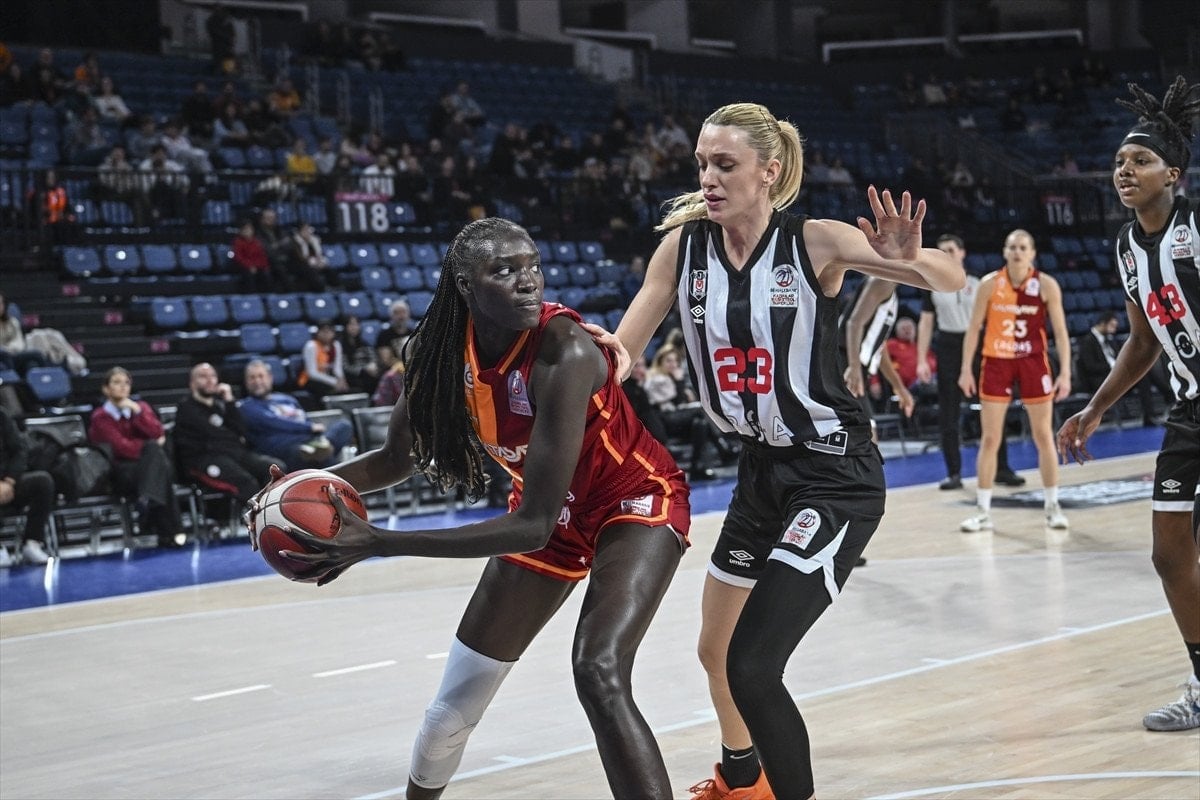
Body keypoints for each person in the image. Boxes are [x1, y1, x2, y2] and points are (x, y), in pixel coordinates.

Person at [594, 102, 962, 799]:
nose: (707, 178)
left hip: (834, 475)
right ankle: (743, 780)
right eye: (701, 164)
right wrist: (575, 361)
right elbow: (620, 354)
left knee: (753, 666)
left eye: (724, 164)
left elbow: (950, 279)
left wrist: (909, 258)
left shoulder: (815, 242)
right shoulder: (682, 250)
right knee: (715, 651)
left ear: (769, 171)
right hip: (760, 472)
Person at [258, 217, 691, 799]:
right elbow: (395, 459)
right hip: (549, 512)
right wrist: (295, 489)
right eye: (503, 270)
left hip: (632, 499)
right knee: (451, 711)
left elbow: (532, 526)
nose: (527, 280)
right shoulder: (437, 352)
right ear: (465, 285)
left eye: (533, 266)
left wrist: (382, 542)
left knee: (598, 670)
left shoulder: (565, 350)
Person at [1058, 76, 1200, 733]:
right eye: (1119, 160)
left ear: (1173, 173)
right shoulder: (1124, 247)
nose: (1124, 170)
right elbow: (1143, 340)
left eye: (1140, 160)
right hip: (1188, 413)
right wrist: (1096, 408)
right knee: (1169, 555)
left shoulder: (1195, 227)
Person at [958, 229, 1071, 533]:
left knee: (1043, 435)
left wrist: (1065, 373)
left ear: (1032, 253)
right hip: (996, 361)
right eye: (1012, 247)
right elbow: (973, 329)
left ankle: (1052, 506)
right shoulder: (988, 284)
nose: (1017, 252)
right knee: (990, 438)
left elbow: (1061, 333)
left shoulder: (1046, 284)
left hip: (1033, 361)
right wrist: (966, 369)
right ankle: (982, 511)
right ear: (1004, 252)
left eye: (1023, 247)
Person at [916, 234, 1023, 490]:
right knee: (948, 413)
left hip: (979, 344)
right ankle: (953, 473)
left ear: (962, 252)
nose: (947, 254)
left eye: (951, 250)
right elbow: (926, 322)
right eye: (942, 251)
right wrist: (921, 359)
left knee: (993, 407)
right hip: (948, 346)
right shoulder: (931, 283)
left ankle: (1002, 468)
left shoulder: (978, 280)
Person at [87, 367, 184, 548]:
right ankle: (171, 531)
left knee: (157, 463)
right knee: (157, 460)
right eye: (116, 382)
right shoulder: (100, 417)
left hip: (144, 471)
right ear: (106, 389)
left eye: (126, 383)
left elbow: (157, 431)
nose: (123, 387)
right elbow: (121, 449)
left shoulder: (140, 408)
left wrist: (137, 411)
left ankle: (150, 503)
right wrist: (149, 445)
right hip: (118, 472)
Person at [173, 362, 277, 508]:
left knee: (274, 470)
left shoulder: (220, 406)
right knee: (246, 482)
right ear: (192, 383)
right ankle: (256, 519)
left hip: (232, 455)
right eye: (203, 376)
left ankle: (272, 514)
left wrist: (229, 400)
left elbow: (240, 431)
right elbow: (211, 434)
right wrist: (231, 436)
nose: (209, 380)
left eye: (213, 376)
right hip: (203, 461)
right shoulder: (186, 408)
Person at [238, 359, 352, 469]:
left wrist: (312, 431)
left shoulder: (287, 399)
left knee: (344, 426)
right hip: (284, 448)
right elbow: (274, 422)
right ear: (246, 382)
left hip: (308, 440)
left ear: (270, 378)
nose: (257, 381)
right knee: (313, 455)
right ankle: (321, 451)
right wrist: (309, 427)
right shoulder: (246, 406)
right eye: (252, 378)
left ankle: (322, 447)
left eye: (261, 376)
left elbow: (304, 419)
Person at [1075, 309, 1172, 426]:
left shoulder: (1110, 339)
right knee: (1141, 373)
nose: (1114, 329)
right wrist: (1113, 367)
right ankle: (1169, 395)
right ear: (1103, 323)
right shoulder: (1087, 341)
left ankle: (1149, 415)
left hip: (1115, 376)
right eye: (1112, 326)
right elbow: (1090, 367)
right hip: (1099, 380)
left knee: (1142, 375)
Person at [0, 407, 54, 567]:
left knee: (42, 481)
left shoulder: (1, 415)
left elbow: (19, 450)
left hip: (7, 482)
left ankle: (32, 543)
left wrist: (9, 481)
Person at [297, 320, 349, 401]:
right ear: (318, 333)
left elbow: (337, 367)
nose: (326, 334)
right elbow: (312, 373)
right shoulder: (311, 346)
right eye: (323, 331)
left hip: (329, 376)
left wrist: (341, 380)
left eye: (329, 332)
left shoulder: (336, 345)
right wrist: (334, 382)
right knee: (325, 388)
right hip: (310, 379)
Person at [0, 293, 48, 377]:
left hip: (13, 353)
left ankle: (44, 381)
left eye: (1, 303)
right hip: (2, 356)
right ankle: (11, 380)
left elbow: (19, 341)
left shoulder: (12, 322)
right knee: (4, 357)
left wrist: (9, 349)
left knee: (33, 362)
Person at [339, 315, 380, 394]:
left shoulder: (364, 343)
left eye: (356, 324)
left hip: (368, 372)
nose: (354, 327)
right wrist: (363, 370)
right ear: (345, 327)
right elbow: (345, 367)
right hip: (353, 375)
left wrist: (373, 364)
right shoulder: (341, 345)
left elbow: (373, 357)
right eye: (351, 324)